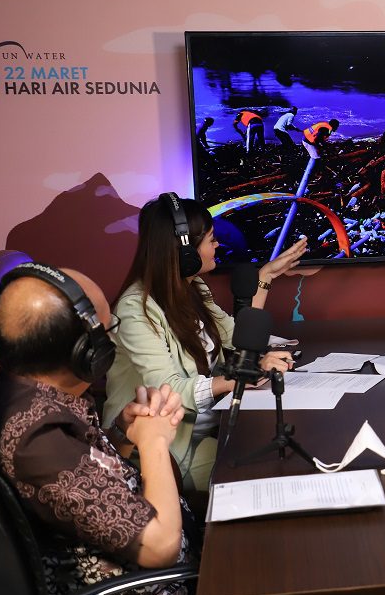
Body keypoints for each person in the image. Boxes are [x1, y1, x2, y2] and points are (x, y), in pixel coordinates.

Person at [0, 263, 219, 595]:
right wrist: (154, 441)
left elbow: (83, 478)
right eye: (108, 331)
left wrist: (122, 433)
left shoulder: (23, 396)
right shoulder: (37, 441)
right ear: (88, 351)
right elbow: (161, 547)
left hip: (173, 569)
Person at [103, 194, 303, 491]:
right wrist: (237, 378)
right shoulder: (135, 310)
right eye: (211, 239)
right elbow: (168, 389)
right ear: (185, 251)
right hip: (168, 448)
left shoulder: (193, 287)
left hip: (207, 428)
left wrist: (266, 276)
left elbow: (236, 336)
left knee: (280, 449)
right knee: (267, 467)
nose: (217, 245)